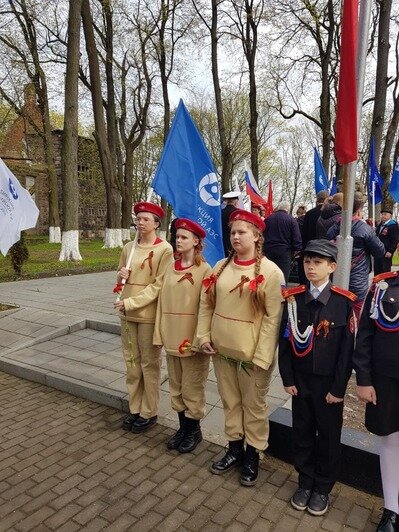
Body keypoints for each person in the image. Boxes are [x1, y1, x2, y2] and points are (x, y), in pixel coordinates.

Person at [197, 209, 285, 486]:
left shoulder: (272, 273)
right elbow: (206, 303)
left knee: (254, 406)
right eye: (233, 232)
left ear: (257, 236)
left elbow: (273, 319)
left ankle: (253, 454)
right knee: (230, 402)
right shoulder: (221, 266)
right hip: (222, 350)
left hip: (252, 356)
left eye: (241, 232)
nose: (235, 236)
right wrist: (203, 336)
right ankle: (234, 448)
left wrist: (263, 355)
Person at [279, 240, 355, 516]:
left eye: (318, 262)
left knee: (328, 436)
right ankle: (305, 481)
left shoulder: (343, 303)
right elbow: (285, 342)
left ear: (332, 267)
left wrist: (338, 388)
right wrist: (287, 378)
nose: (310, 267)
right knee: (301, 432)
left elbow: (347, 353)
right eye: (307, 261)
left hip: (328, 387)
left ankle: (322, 487)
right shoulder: (294, 299)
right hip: (301, 381)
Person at [114, 201, 173, 433]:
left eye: (145, 219)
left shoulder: (165, 250)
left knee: (149, 364)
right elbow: (120, 280)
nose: (139, 222)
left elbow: (158, 286)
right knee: (132, 363)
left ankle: (149, 411)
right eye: (138, 218)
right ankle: (135, 407)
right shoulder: (129, 247)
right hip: (127, 314)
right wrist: (120, 277)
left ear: (156, 224)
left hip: (147, 315)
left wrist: (131, 302)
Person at [154, 218, 212, 453]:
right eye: (177, 236)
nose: (178, 241)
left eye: (184, 237)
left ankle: (194, 430)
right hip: (172, 336)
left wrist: (200, 338)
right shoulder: (169, 267)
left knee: (192, 387)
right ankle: (182, 428)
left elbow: (206, 307)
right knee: (176, 386)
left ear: (196, 241)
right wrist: (160, 334)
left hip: (191, 340)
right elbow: (160, 302)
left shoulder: (204, 270)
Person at [353, 270, 399, 532]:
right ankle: (391, 509)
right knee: (391, 440)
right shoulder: (382, 286)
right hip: (387, 382)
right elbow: (365, 335)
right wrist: (364, 379)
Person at [327, 193, 385, 321]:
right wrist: (373, 233)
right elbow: (380, 251)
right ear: (359, 211)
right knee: (356, 317)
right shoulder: (365, 229)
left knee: (336, 314)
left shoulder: (333, 228)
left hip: (335, 278)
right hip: (357, 281)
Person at [262, 200, 302, 283]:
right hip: (284, 252)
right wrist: (297, 249)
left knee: (268, 274)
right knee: (283, 276)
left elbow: (262, 234)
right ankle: (282, 293)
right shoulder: (291, 220)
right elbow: (296, 236)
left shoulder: (268, 219)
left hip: (268, 250)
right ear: (287, 209)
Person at [374, 209, 399, 276]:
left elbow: (395, 239)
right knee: (377, 269)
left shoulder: (393, 225)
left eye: (385, 214)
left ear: (390, 215)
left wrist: (390, 251)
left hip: (387, 251)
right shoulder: (380, 225)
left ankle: (385, 285)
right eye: (382, 214)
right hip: (379, 250)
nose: (383, 216)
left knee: (385, 270)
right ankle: (376, 285)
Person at [221, 191, 239, 256]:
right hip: (235, 242)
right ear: (235, 201)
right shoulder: (238, 212)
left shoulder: (221, 212)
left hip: (222, 242)